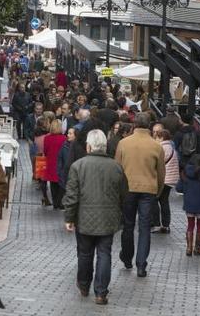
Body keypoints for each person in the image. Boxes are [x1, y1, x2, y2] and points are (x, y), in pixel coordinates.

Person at [63, 129, 128, 306]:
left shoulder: (78, 166)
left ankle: (84, 285)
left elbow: (72, 195)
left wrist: (69, 218)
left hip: (84, 218)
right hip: (108, 218)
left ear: (89, 146)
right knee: (104, 253)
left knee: (84, 253)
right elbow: (124, 194)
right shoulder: (116, 167)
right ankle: (101, 292)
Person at [113, 113, 164, 277]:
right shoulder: (156, 146)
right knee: (144, 228)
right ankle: (141, 264)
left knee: (128, 225)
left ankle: (127, 257)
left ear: (134, 124)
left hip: (128, 189)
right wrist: (158, 190)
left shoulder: (123, 143)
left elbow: (117, 168)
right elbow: (161, 173)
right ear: (149, 125)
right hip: (148, 190)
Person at [179, 154, 200, 256]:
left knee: (190, 225)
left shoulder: (184, 172)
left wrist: (187, 189)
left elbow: (178, 188)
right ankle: (197, 248)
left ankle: (189, 248)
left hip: (189, 203)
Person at [150, 128, 179, 234]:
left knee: (154, 200)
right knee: (164, 202)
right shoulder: (171, 147)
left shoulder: (162, 148)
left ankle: (157, 224)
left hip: (164, 179)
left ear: (161, 137)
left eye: (157, 137)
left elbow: (157, 163)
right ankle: (166, 225)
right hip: (171, 179)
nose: (155, 139)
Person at [43, 120, 67, 209]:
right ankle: (59, 202)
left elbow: (45, 151)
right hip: (60, 163)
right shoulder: (64, 138)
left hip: (50, 162)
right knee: (61, 183)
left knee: (52, 183)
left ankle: (55, 202)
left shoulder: (47, 138)